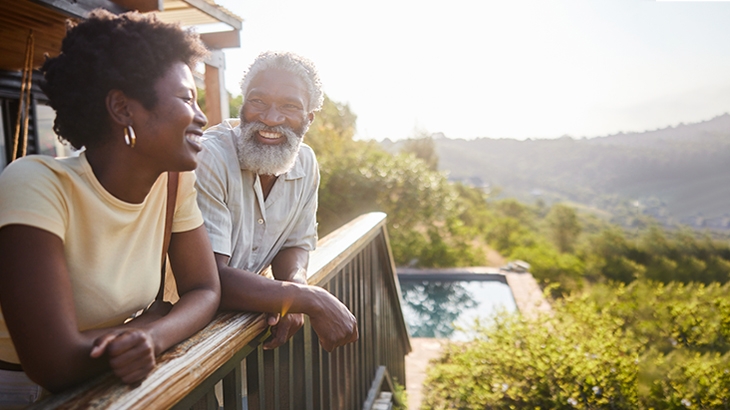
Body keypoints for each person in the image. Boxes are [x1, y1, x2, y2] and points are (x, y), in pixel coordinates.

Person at [0, 10, 221, 407]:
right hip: (24, 394)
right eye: (187, 98)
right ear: (122, 108)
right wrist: (145, 323)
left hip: (111, 383)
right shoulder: (34, 183)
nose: (202, 117)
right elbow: (53, 362)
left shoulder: (173, 183)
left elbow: (205, 290)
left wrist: (153, 337)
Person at [195, 51, 358, 352]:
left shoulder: (305, 162)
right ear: (242, 105)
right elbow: (207, 277)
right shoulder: (209, 158)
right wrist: (305, 298)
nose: (271, 118)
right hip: (182, 335)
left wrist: (293, 285)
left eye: (289, 106)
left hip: (238, 333)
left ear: (308, 118)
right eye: (258, 101)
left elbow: (294, 243)